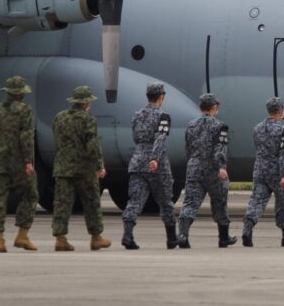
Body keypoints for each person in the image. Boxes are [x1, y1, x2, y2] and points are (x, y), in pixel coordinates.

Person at [51, 85, 111, 251]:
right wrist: (100, 165)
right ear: (85, 103)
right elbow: (92, 144)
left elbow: (56, 140)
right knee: (91, 202)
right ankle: (96, 237)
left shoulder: (59, 117)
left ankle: (60, 238)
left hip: (63, 167)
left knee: (62, 203)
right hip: (84, 168)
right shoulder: (88, 119)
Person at [121, 82, 177, 250]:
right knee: (165, 200)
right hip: (157, 163)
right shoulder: (163, 116)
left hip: (137, 161)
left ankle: (128, 234)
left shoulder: (137, 115)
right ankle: (172, 238)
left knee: (135, 200)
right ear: (161, 97)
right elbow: (160, 138)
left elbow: (135, 136)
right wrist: (154, 158)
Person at [0, 76, 39, 253]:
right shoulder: (25, 110)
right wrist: (28, 162)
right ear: (20, 93)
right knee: (30, 194)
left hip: (0, 161)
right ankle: (22, 235)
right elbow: (26, 138)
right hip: (18, 162)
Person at [178, 93, 234, 248]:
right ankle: (224, 237)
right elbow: (219, 149)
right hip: (213, 170)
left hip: (194, 167)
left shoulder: (191, 125)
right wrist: (221, 167)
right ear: (214, 108)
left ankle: (182, 235)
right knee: (220, 203)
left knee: (190, 202)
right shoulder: (220, 126)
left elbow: (188, 148)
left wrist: (193, 163)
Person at [241, 97, 284, 247]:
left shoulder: (257, 128)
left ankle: (248, 228)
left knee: (257, 201)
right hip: (276, 171)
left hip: (260, 169)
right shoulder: (283, 131)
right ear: (280, 111)